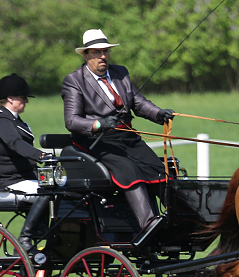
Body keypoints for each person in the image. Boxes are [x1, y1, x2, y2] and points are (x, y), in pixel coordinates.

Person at [62, 28, 175, 242]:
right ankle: (149, 224)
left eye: (105, 51)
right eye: (97, 52)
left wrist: (158, 113)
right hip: (97, 141)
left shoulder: (120, 73)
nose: (103, 56)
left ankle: (176, 219)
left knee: (159, 169)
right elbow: (72, 121)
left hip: (127, 137)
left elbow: (138, 103)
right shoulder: (74, 81)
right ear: (86, 55)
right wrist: (99, 124)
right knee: (129, 169)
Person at [0, 73, 51, 253]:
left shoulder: (15, 120)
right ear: (10, 98)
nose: (26, 102)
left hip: (21, 181)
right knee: (48, 192)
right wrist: (41, 156)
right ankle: (25, 238)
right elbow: (16, 144)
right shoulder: (2, 121)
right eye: (23, 98)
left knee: (57, 189)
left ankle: (45, 233)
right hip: (5, 184)